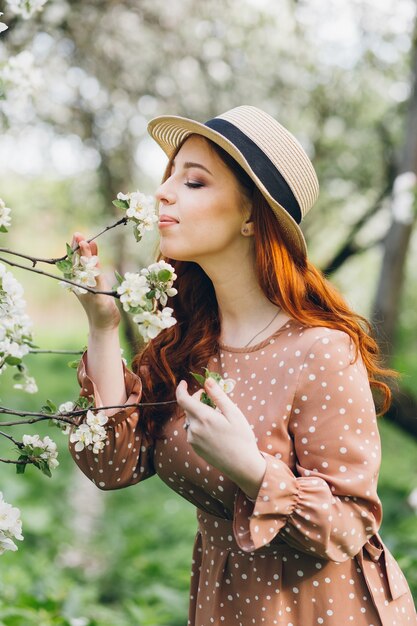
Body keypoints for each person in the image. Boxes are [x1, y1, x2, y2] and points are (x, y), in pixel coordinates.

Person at [68, 105, 417, 626]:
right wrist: (101, 325)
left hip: (321, 609)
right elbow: (110, 465)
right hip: (225, 605)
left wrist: (253, 471)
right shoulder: (184, 342)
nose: (163, 193)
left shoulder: (319, 350)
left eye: (194, 182)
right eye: (170, 179)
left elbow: (350, 525)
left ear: (252, 215)